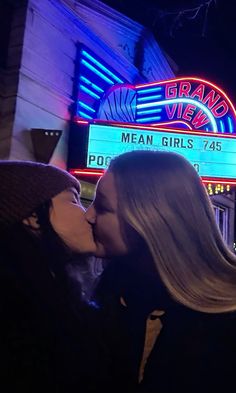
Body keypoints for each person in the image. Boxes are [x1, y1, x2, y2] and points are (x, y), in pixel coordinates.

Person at [86, 150, 236, 393]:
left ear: (150, 218)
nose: (88, 216)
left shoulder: (226, 319)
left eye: (102, 207)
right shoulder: (111, 295)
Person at [0, 160, 119, 393]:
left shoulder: (46, 287)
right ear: (33, 217)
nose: (89, 215)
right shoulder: (14, 304)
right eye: (73, 200)